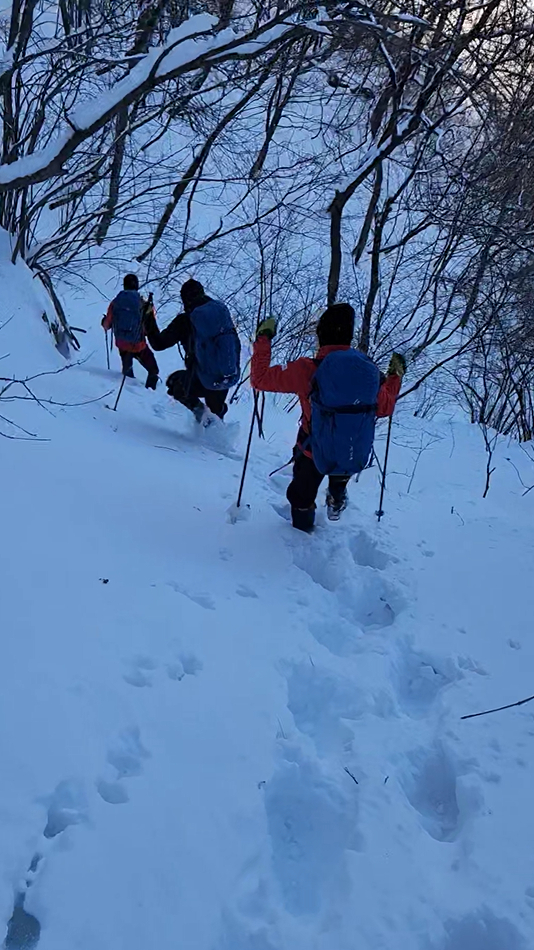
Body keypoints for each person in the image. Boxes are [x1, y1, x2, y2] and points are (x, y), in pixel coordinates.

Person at [251, 303, 405, 533]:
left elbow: (260, 379)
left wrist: (264, 338)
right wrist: (395, 377)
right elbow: (386, 407)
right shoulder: (366, 372)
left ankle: (301, 535)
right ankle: (336, 497)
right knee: (339, 471)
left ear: (320, 334)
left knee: (300, 496)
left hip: (312, 450)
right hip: (350, 450)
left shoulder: (307, 369)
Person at [144, 278, 240, 423]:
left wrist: (148, 318)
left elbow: (158, 344)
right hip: (225, 376)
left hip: (201, 377)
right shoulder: (221, 316)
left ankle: (200, 413)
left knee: (174, 382)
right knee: (215, 411)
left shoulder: (185, 320)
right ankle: (218, 435)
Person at [102, 274, 159, 390]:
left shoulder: (116, 302)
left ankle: (131, 394)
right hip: (138, 345)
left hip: (122, 344)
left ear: (124, 285)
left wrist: (104, 322)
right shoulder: (143, 303)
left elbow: (107, 325)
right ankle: (149, 393)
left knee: (127, 373)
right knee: (153, 370)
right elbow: (150, 326)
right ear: (136, 286)